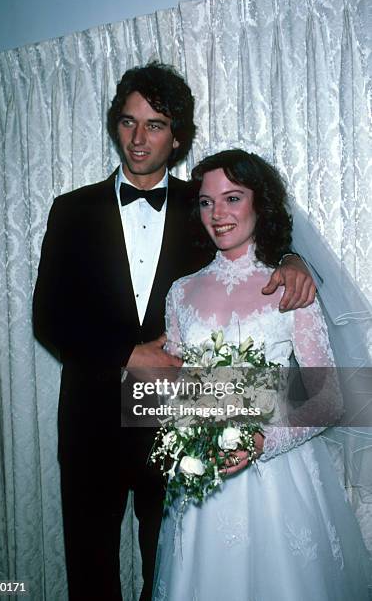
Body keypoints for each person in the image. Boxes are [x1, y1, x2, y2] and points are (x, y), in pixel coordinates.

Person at [32, 64, 315, 601]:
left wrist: (295, 260)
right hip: (90, 418)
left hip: (178, 422)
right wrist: (125, 355)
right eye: (128, 122)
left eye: (155, 124)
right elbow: (48, 316)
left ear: (178, 137)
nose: (138, 139)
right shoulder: (71, 210)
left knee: (171, 569)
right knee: (89, 567)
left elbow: (262, 242)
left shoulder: (205, 205)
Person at [153, 149, 371, 600]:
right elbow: (175, 388)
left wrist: (261, 438)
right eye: (208, 202)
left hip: (280, 483)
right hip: (202, 482)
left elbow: (327, 396)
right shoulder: (181, 292)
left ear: (260, 204)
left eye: (233, 198)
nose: (219, 214)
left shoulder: (290, 285)